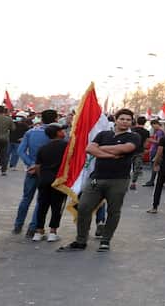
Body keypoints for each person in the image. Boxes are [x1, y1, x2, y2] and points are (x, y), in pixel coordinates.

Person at [60, 108, 141, 252]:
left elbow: (125, 149)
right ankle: (81, 240)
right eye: (122, 119)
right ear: (115, 120)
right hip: (96, 178)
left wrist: (102, 149)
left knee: (113, 211)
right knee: (84, 207)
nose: (125, 122)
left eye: (128, 120)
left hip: (119, 180)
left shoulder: (134, 136)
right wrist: (110, 155)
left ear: (131, 122)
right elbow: (90, 149)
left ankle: (105, 241)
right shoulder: (103, 134)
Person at [14, 109, 58, 235]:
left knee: (26, 198)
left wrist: (31, 164)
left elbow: (21, 151)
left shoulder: (30, 132)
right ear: (55, 119)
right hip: (46, 171)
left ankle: (18, 225)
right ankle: (33, 228)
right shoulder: (55, 134)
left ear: (41, 118)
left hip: (31, 170)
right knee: (41, 200)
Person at [29, 124, 69, 242]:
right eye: (62, 130)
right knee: (57, 206)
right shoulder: (66, 146)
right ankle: (53, 232)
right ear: (58, 133)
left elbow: (37, 166)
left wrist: (42, 177)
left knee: (42, 205)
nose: (64, 132)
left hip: (44, 180)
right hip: (59, 181)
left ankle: (39, 231)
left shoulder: (43, 147)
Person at [129, 115, 150, 191]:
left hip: (129, 150)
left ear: (137, 121)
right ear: (145, 123)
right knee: (137, 167)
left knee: (127, 166)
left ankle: (124, 181)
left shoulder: (132, 130)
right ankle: (133, 182)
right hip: (140, 151)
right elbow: (146, 143)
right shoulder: (146, 132)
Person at [142, 119, 163, 187]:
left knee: (155, 166)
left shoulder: (160, 132)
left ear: (156, 124)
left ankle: (152, 181)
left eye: (153, 126)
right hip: (153, 150)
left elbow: (159, 142)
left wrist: (150, 140)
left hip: (155, 151)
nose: (153, 127)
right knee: (154, 166)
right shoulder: (157, 131)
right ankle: (152, 180)